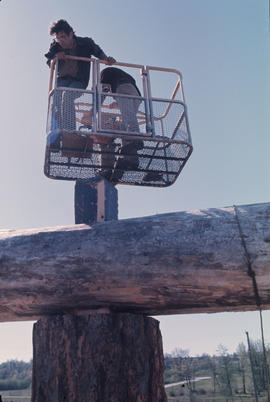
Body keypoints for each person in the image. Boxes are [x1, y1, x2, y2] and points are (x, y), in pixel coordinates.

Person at [45, 19, 116, 131]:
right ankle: (56, 132)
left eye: (63, 37)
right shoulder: (55, 46)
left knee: (67, 96)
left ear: (71, 34)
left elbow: (98, 52)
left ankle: (69, 131)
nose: (61, 41)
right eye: (58, 38)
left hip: (79, 80)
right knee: (55, 101)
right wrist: (55, 57)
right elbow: (50, 62)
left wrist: (107, 59)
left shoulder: (85, 43)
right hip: (62, 79)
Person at [99, 67, 144, 182]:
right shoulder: (117, 74)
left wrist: (95, 108)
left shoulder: (104, 73)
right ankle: (131, 157)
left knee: (128, 118)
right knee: (125, 123)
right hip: (136, 94)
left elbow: (102, 91)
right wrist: (117, 102)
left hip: (123, 87)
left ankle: (135, 138)